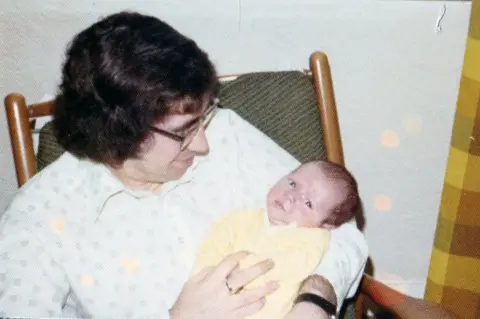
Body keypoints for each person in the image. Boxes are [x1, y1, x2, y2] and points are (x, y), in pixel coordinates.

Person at [0, 11, 368, 319]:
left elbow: (341, 228)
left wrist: (315, 298)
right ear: (119, 137)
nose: (206, 143)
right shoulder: (38, 221)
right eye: (184, 132)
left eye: (203, 117)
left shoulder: (225, 131)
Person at [192, 160, 359, 319]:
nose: (291, 195)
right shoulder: (241, 219)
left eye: (308, 203)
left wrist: (241, 269)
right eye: (293, 183)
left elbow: (289, 267)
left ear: (326, 225)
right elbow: (212, 246)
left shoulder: (312, 239)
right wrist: (207, 277)